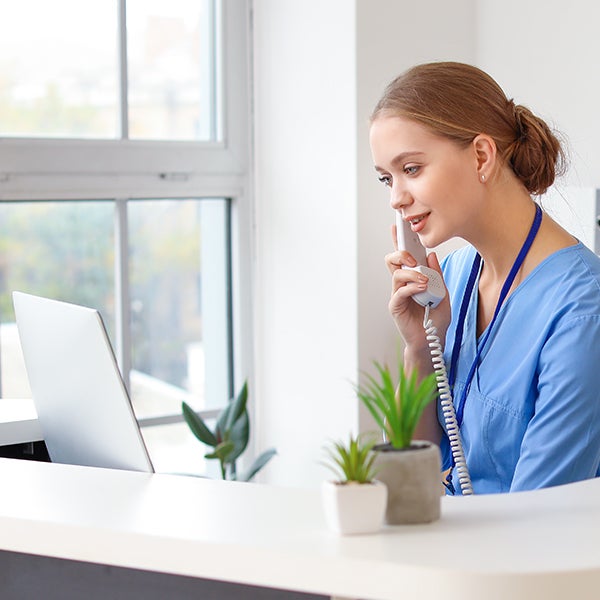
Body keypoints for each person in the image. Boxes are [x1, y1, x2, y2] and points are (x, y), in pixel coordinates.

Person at [370, 61, 600, 495]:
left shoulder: (582, 312)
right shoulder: (450, 279)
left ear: (481, 155)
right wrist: (420, 349)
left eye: (412, 169)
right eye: (387, 178)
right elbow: (404, 481)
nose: (396, 199)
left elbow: (538, 520)